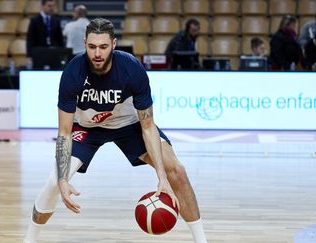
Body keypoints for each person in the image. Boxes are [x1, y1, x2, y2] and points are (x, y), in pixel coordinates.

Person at [23, 18, 208, 243]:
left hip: (129, 125)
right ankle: (29, 239)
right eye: (91, 47)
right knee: (54, 181)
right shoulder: (73, 72)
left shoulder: (132, 69)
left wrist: (161, 177)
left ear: (114, 44)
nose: (97, 53)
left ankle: (201, 240)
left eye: (103, 47)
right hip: (88, 128)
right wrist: (63, 180)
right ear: (85, 44)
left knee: (176, 171)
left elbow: (147, 126)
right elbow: (64, 132)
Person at [26, 0, 64, 68]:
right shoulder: (34, 20)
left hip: (53, 54)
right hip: (38, 54)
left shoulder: (56, 20)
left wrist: (62, 54)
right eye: (49, 6)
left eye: (53, 6)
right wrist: (29, 56)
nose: (51, 8)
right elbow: (30, 40)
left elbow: (60, 39)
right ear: (42, 6)